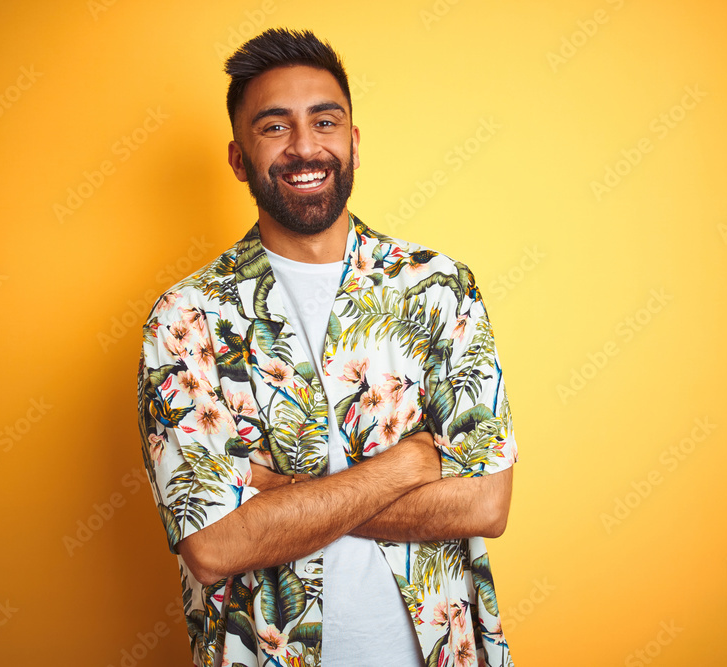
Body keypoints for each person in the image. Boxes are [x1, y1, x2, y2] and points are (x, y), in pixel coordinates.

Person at [136, 27, 518, 667]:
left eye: (325, 121)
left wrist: (276, 498)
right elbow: (215, 546)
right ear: (238, 159)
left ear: (355, 143)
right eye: (275, 127)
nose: (305, 146)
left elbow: (486, 502)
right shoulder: (184, 319)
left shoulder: (438, 289)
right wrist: (406, 466)